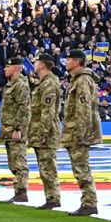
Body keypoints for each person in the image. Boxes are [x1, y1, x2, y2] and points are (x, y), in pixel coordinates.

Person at [62, 48, 101, 216]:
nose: (66, 62)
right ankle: (88, 201)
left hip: (79, 131)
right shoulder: (77, 80)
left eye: (69, 59)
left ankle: (89, 201)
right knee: (79, 168)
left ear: (77, 62)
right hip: (75, 130)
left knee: (82, 167)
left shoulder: (83, 80)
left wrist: (81, 133)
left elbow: (83, 109)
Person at [29, 52, 63, 209]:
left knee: (48, 166)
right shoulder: (43, 82)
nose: (34, 64)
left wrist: (42, 133)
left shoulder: (49, 83)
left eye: (36, 62)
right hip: (40, 130)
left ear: (42, 65)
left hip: (46, 132)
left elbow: (47, 112)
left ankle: (53, 198)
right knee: (44, 166)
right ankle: (50, 197)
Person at [0, 56, 31, 202]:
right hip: (9, 129)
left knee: (19, 161)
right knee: (13, 161)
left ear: (17, 68)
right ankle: (19, 190)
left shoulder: (20, 85)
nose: (5, 69)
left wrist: (18, 128)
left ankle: (21, 191)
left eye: (8, 66)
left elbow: (23, 108)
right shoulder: (10, 85)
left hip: (16, 130)